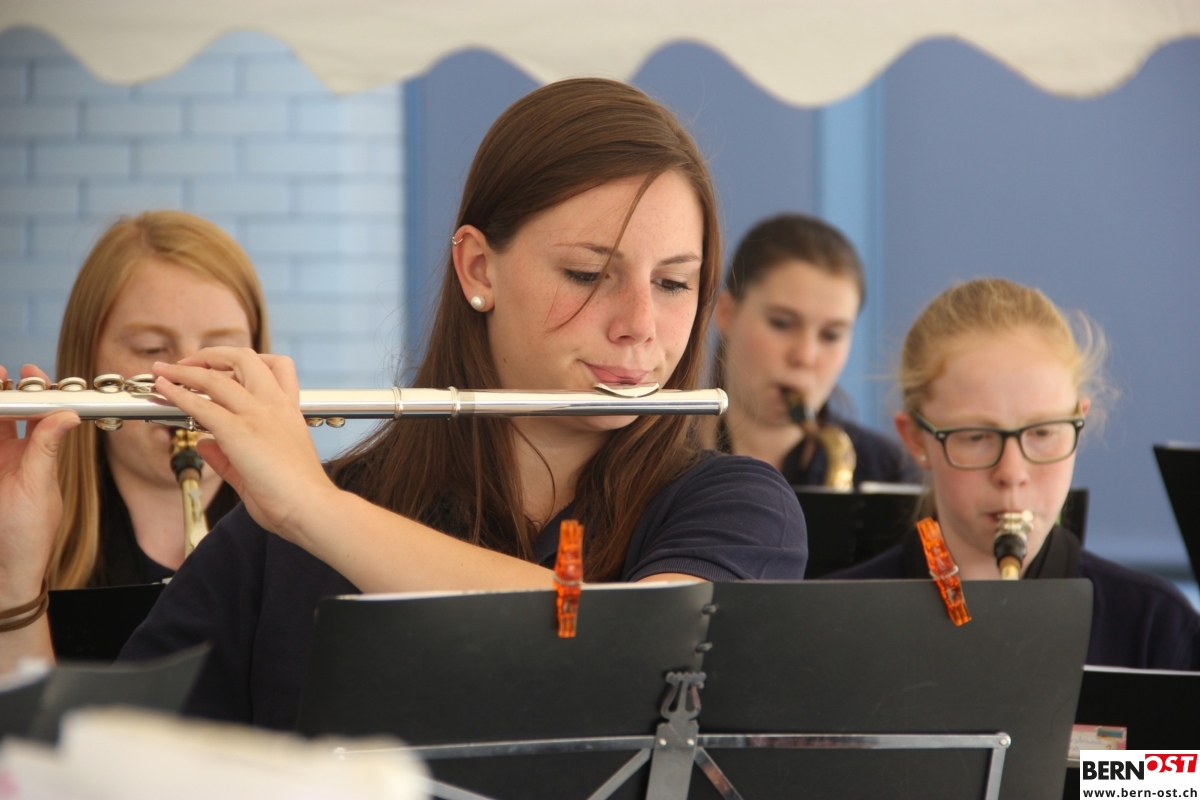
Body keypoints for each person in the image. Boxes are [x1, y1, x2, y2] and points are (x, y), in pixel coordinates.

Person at [0, 78, 808, 724]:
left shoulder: (736, 507)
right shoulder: (281, 536)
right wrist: (13, 582)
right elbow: (74, 769)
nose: (640, 324)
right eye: (589, 273)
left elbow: (628, 646)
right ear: (479, 269)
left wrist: (313, 507)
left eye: (673, 283)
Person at [829, 278, 1200, 670]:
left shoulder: (1156, 628)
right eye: (975, 436)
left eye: (1042, 433)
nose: (1011, 473)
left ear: (1079, 422)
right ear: (916, 438)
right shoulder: (830, 622)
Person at [46, 211, 270, 590]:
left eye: (223, 349)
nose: (189, 379)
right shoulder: (25, 533)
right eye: (150, 348)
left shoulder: (308, 540)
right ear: (87, 363)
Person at [710, 213, 920, 486]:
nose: (805, 356)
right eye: (782, 323)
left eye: (831, 335)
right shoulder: (663, 459)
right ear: (726, 313)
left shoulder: (891, 471)